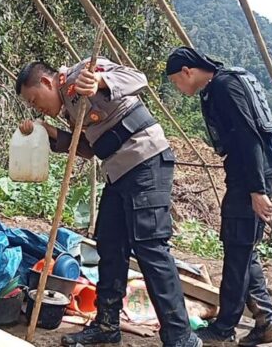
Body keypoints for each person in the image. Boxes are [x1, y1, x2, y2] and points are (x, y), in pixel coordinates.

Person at [15, 58, 201, 347]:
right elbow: (89, 149)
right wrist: (49, 131)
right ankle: (106, 325)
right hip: (118, 171)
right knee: (110, 245)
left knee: (151, 248)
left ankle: (180, 336)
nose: (37, 107)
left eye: (35, 100)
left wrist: (101, 82)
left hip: (146, 161)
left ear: (47, 82)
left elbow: (138, 78)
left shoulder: (83, 72)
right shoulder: (70, 109)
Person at [166, 46, 272, 346]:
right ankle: (267, 323)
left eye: (175, 82)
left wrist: (257, 190)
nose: (177, 89)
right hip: (252, 173)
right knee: (245, 249)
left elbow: (249, 136)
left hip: (251, 176)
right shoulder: (226, 82)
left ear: (187, 72)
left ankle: (223, 329)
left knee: (236, 250)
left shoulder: (222, 87)